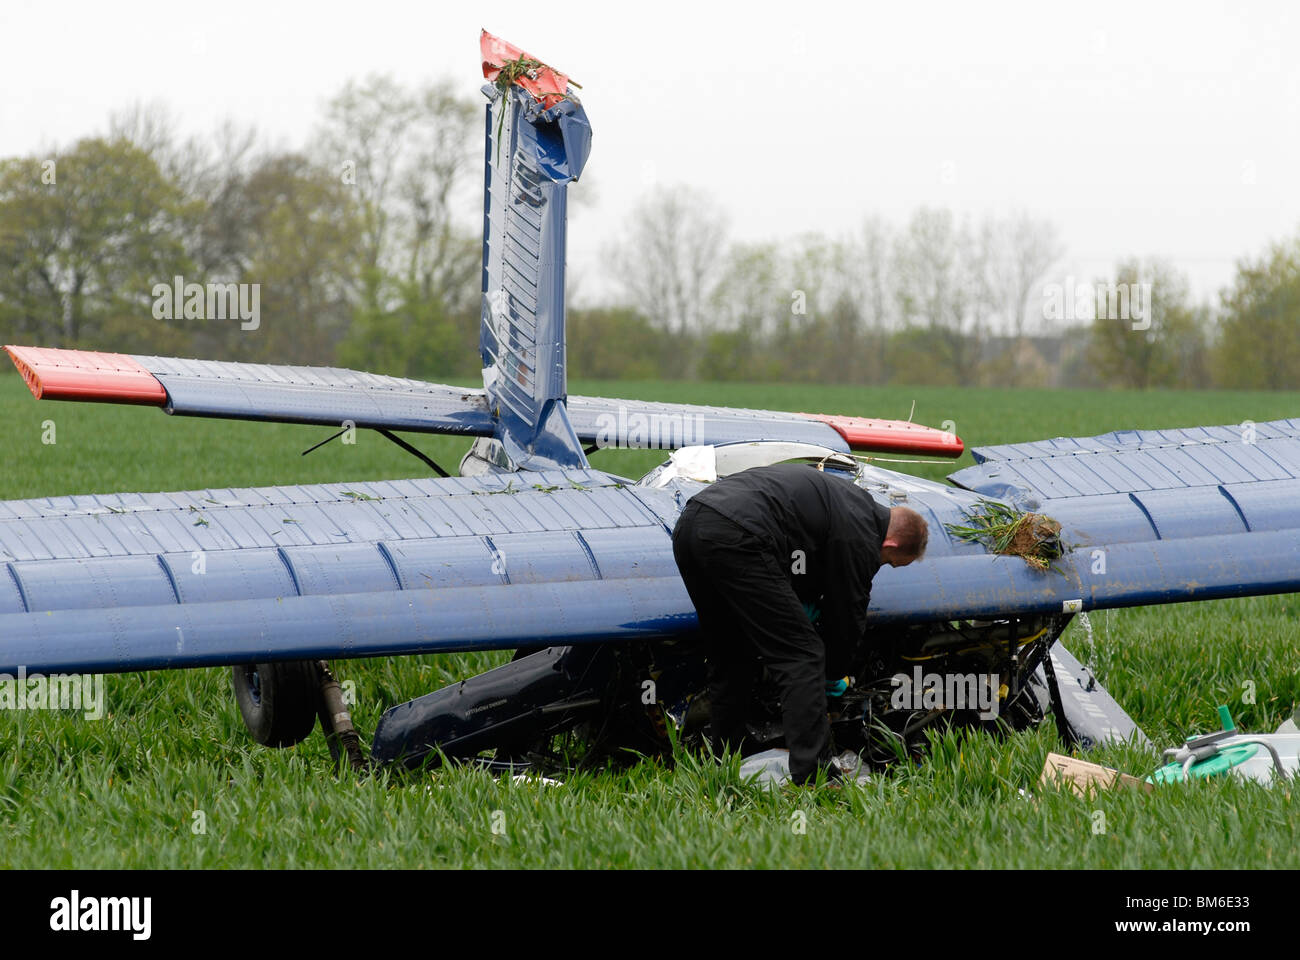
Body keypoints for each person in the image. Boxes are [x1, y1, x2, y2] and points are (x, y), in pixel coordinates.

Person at [671, 462, 929, 785]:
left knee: (731, 653)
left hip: (691, 524)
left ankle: (727, 756)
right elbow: (847, 615)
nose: (883, 565)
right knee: (802, 656)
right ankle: (814, 772)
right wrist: (835, 672)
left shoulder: (851, 503)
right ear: (891, 545)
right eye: (890, 562)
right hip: (738, 534)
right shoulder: (863, 537)